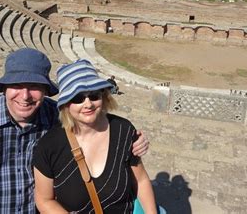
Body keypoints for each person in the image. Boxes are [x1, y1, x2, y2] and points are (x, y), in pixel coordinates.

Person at [0, 48, 149, 213]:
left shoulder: (56, 114)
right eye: (17, 85)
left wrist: (134, 138)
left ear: (45, 91)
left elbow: (92, 121)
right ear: (4, 87)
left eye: (34, 87)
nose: (25, 96)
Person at [33, 59, 157, 213]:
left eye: (94, 96)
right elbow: (44, 200)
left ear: (103, 97)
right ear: (66, 104)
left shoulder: (123, 130)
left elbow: (141, 180)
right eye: (78, 98)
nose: (88, 104)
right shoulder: (50, 145)